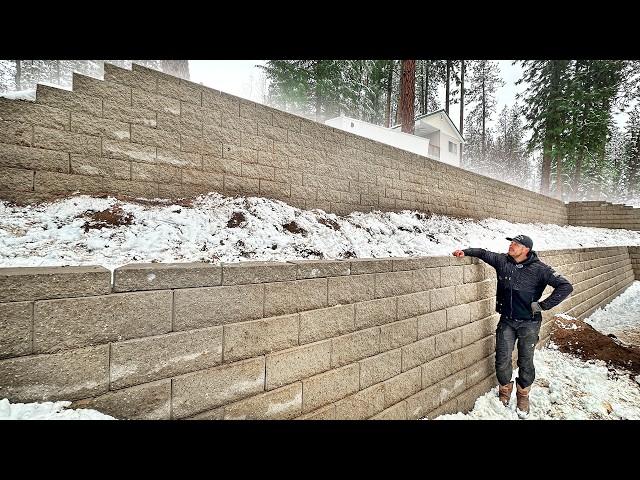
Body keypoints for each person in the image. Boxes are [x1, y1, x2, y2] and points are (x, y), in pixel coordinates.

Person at [452, 235, 573, 416]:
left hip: (529, 323)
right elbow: (483, 253)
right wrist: (465, 251)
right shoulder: (503, 261)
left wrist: (543, 305)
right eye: (511, 242)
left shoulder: (540, 269)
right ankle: (504, 391)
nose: (511, 245)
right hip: (507, 321)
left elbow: (565, 286)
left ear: (526, 249)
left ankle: (523, 394)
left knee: (525, 360)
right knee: (502, 359)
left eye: (516, 244)